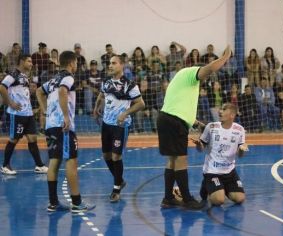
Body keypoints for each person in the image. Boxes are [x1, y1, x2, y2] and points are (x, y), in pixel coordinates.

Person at [157, 45, 232, 210]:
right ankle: (188, 199)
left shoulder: (182, 80)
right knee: (181, 160)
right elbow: (210, 68)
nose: (205, 79)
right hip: (173, 121)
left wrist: (198, 124)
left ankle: (168, 198)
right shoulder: (190, 73)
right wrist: (225, 57)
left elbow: (180, 107)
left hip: (166, 119)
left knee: (172, 161)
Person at [36, 51, 95, 212]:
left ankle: (53, 203)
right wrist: (65, 117)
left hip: (51, 125)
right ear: (71, 63)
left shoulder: (54, 78)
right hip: (63, 126)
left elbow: (39, 91)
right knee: (71, 161)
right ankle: (77, 203)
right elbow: (63, 92)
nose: (77, 65)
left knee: (54, 162)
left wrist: (46, 111)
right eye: (76, 62)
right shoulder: (68, 77)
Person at [93, 55, 145, 202]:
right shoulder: (106, 82)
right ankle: (120, 180)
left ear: (122, 65)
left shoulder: (130, 84)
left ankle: (116, 188)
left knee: (116, 156)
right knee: (106, 156)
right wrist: (96, 108)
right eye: (109, 63)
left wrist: (125, 113)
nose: (110, 66)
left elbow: (141, 104)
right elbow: (101, 96)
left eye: (113, 63)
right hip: (106, 124)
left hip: (120, 125)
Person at [0, 54, 48, 175]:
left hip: (28, 113)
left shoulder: (24, 76)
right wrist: (10, 103)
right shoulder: (13, 74)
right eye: (29, 61)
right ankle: (5, 166)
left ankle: (39, 165)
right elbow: (2, 87)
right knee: (14, 139)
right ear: (22, 61)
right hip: (17, 114)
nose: (31, 64)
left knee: (33, 139)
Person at [192, 103, 248, 206]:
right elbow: (201, 149)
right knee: (219, 201)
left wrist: (241, 150)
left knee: (240, 199)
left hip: (230, 172)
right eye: (220, 109)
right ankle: (207, 185)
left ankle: (221, 188)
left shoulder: (239, 130)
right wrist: (199, 145)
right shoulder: (211, 127)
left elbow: (240, 155)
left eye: (224, 109)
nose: (220, 111)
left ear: (232, 115)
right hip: (212, 171)